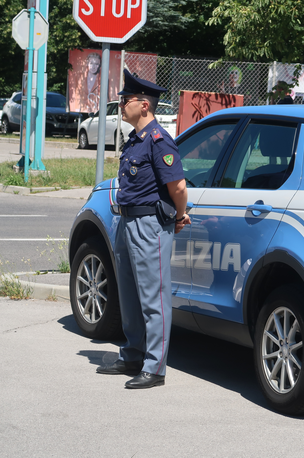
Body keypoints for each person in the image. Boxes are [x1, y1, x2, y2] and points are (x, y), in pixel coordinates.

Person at [96, 69, 190, 389]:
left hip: (150, 224)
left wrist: (179, 216)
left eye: (126, 100)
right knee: (130, 294)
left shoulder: (158, 140)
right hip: (128, 221)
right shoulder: (135, 140)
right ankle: (132, 353)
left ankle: (155, 367)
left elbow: (177, 186)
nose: (121, 104)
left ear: (144, 106)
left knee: (154, 297)